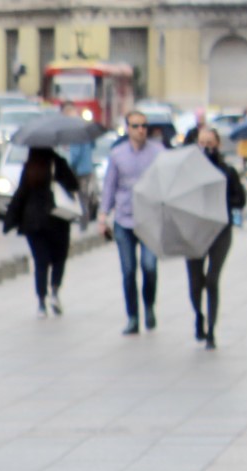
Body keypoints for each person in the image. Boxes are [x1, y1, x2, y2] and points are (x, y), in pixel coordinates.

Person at [99, 110, 165, 335]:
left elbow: (166, 182)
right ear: (128, 129)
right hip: (124, 220)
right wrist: (103, 215)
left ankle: (149, 306)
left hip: (149, 220)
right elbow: (109, 185)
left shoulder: (158, 153)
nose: (141, 130)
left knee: (149, 267)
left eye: (144, 126)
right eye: (136, 126)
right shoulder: (117, 155)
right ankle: (133, 317)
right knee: (128, 271)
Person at [185, 128, 246, 350]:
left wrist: (222, 201)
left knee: (212, 280)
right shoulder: (188, 172)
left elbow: (240, 199)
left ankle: (211, 330)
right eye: (202, 143)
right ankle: (198, 316)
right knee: (195, 282)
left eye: (210, 143)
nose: (206, 147)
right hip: (193, 231)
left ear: (217, 144)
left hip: (220, 230)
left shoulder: (227, 171)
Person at [3, 148, 80, 318]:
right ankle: (54, 291)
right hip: (57, 220)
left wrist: (9, 221)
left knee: (40, 262)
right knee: (59, 259)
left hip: (34, 223)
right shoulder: (59, 163)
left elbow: (21, 194)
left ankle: (41, 303)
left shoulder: (31, 167)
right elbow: (74, 185)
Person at [63, 102, 96, 229]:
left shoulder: (74, 129)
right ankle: (84, 223)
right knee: (84, 196)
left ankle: (83, 224)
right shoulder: (84, 127)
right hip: (88, 168)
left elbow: (75, 154)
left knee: (79, 197)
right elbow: (93, 146)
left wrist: (69, 168)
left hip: (79, 170)